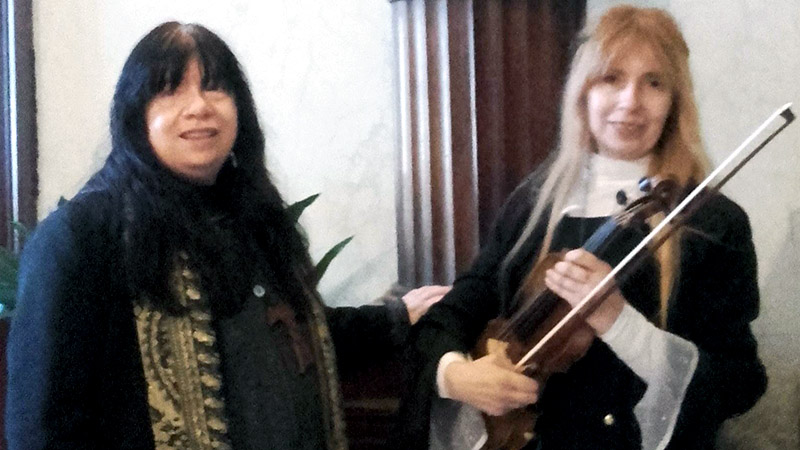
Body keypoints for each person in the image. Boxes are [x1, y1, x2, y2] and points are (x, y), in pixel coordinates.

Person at [5, 22, 449, 450]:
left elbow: (292, 336)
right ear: (135, 115)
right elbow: (42, 428)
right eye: (171, 90)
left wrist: (396, 318)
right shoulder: (79, 238)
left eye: (215, 87)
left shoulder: (255, 218)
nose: (199, 106)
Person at [401, 5, 767, 450]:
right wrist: (455, 375)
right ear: (584, 93)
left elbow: (740, 383)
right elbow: (453, 313)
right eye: (611, 78)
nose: (630, 101)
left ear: (674, 101)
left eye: (654, 82)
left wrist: (620, 323)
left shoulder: (712, 222)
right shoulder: (534, 205)